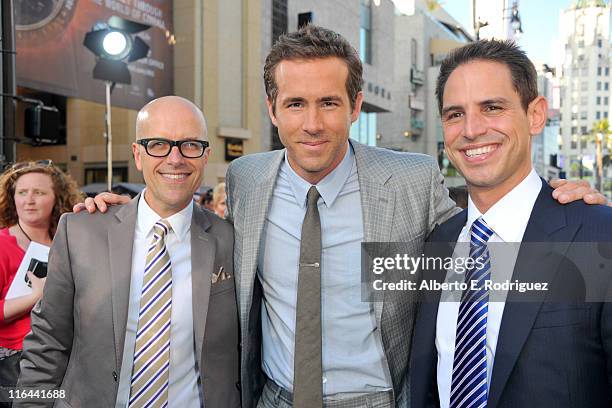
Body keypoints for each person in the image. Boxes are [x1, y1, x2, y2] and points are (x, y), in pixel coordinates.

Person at [80, 26, 606, 408]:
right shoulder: (247, 179)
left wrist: (565, 204)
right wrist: (124, 212)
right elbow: (190, 227)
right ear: (272, 109)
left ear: (356, 106)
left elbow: (492, 244)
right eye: (295, 104)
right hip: (275, 399)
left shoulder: (411, 179)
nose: (312, 124)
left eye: (329, 103)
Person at [410, 40, 612, 408]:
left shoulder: (599, 235)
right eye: (455, 114)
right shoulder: (439, 242)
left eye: (492, 107)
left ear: (535, 115)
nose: (471, 130)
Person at [16, 96, 240, 407]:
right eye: (158, 144)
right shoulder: (81, 232)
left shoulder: (231, 240)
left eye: (189, 145)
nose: (175, 158)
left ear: (205, 155)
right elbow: (47, 344)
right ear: (137, 154)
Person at [0, 161, 81, 405]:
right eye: (22, 192)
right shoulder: (2, 244)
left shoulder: (68, 241)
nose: (29, 200)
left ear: (57, 197)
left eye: (39, 192)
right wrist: (34, 297)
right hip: (16, 363)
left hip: (66, 356)